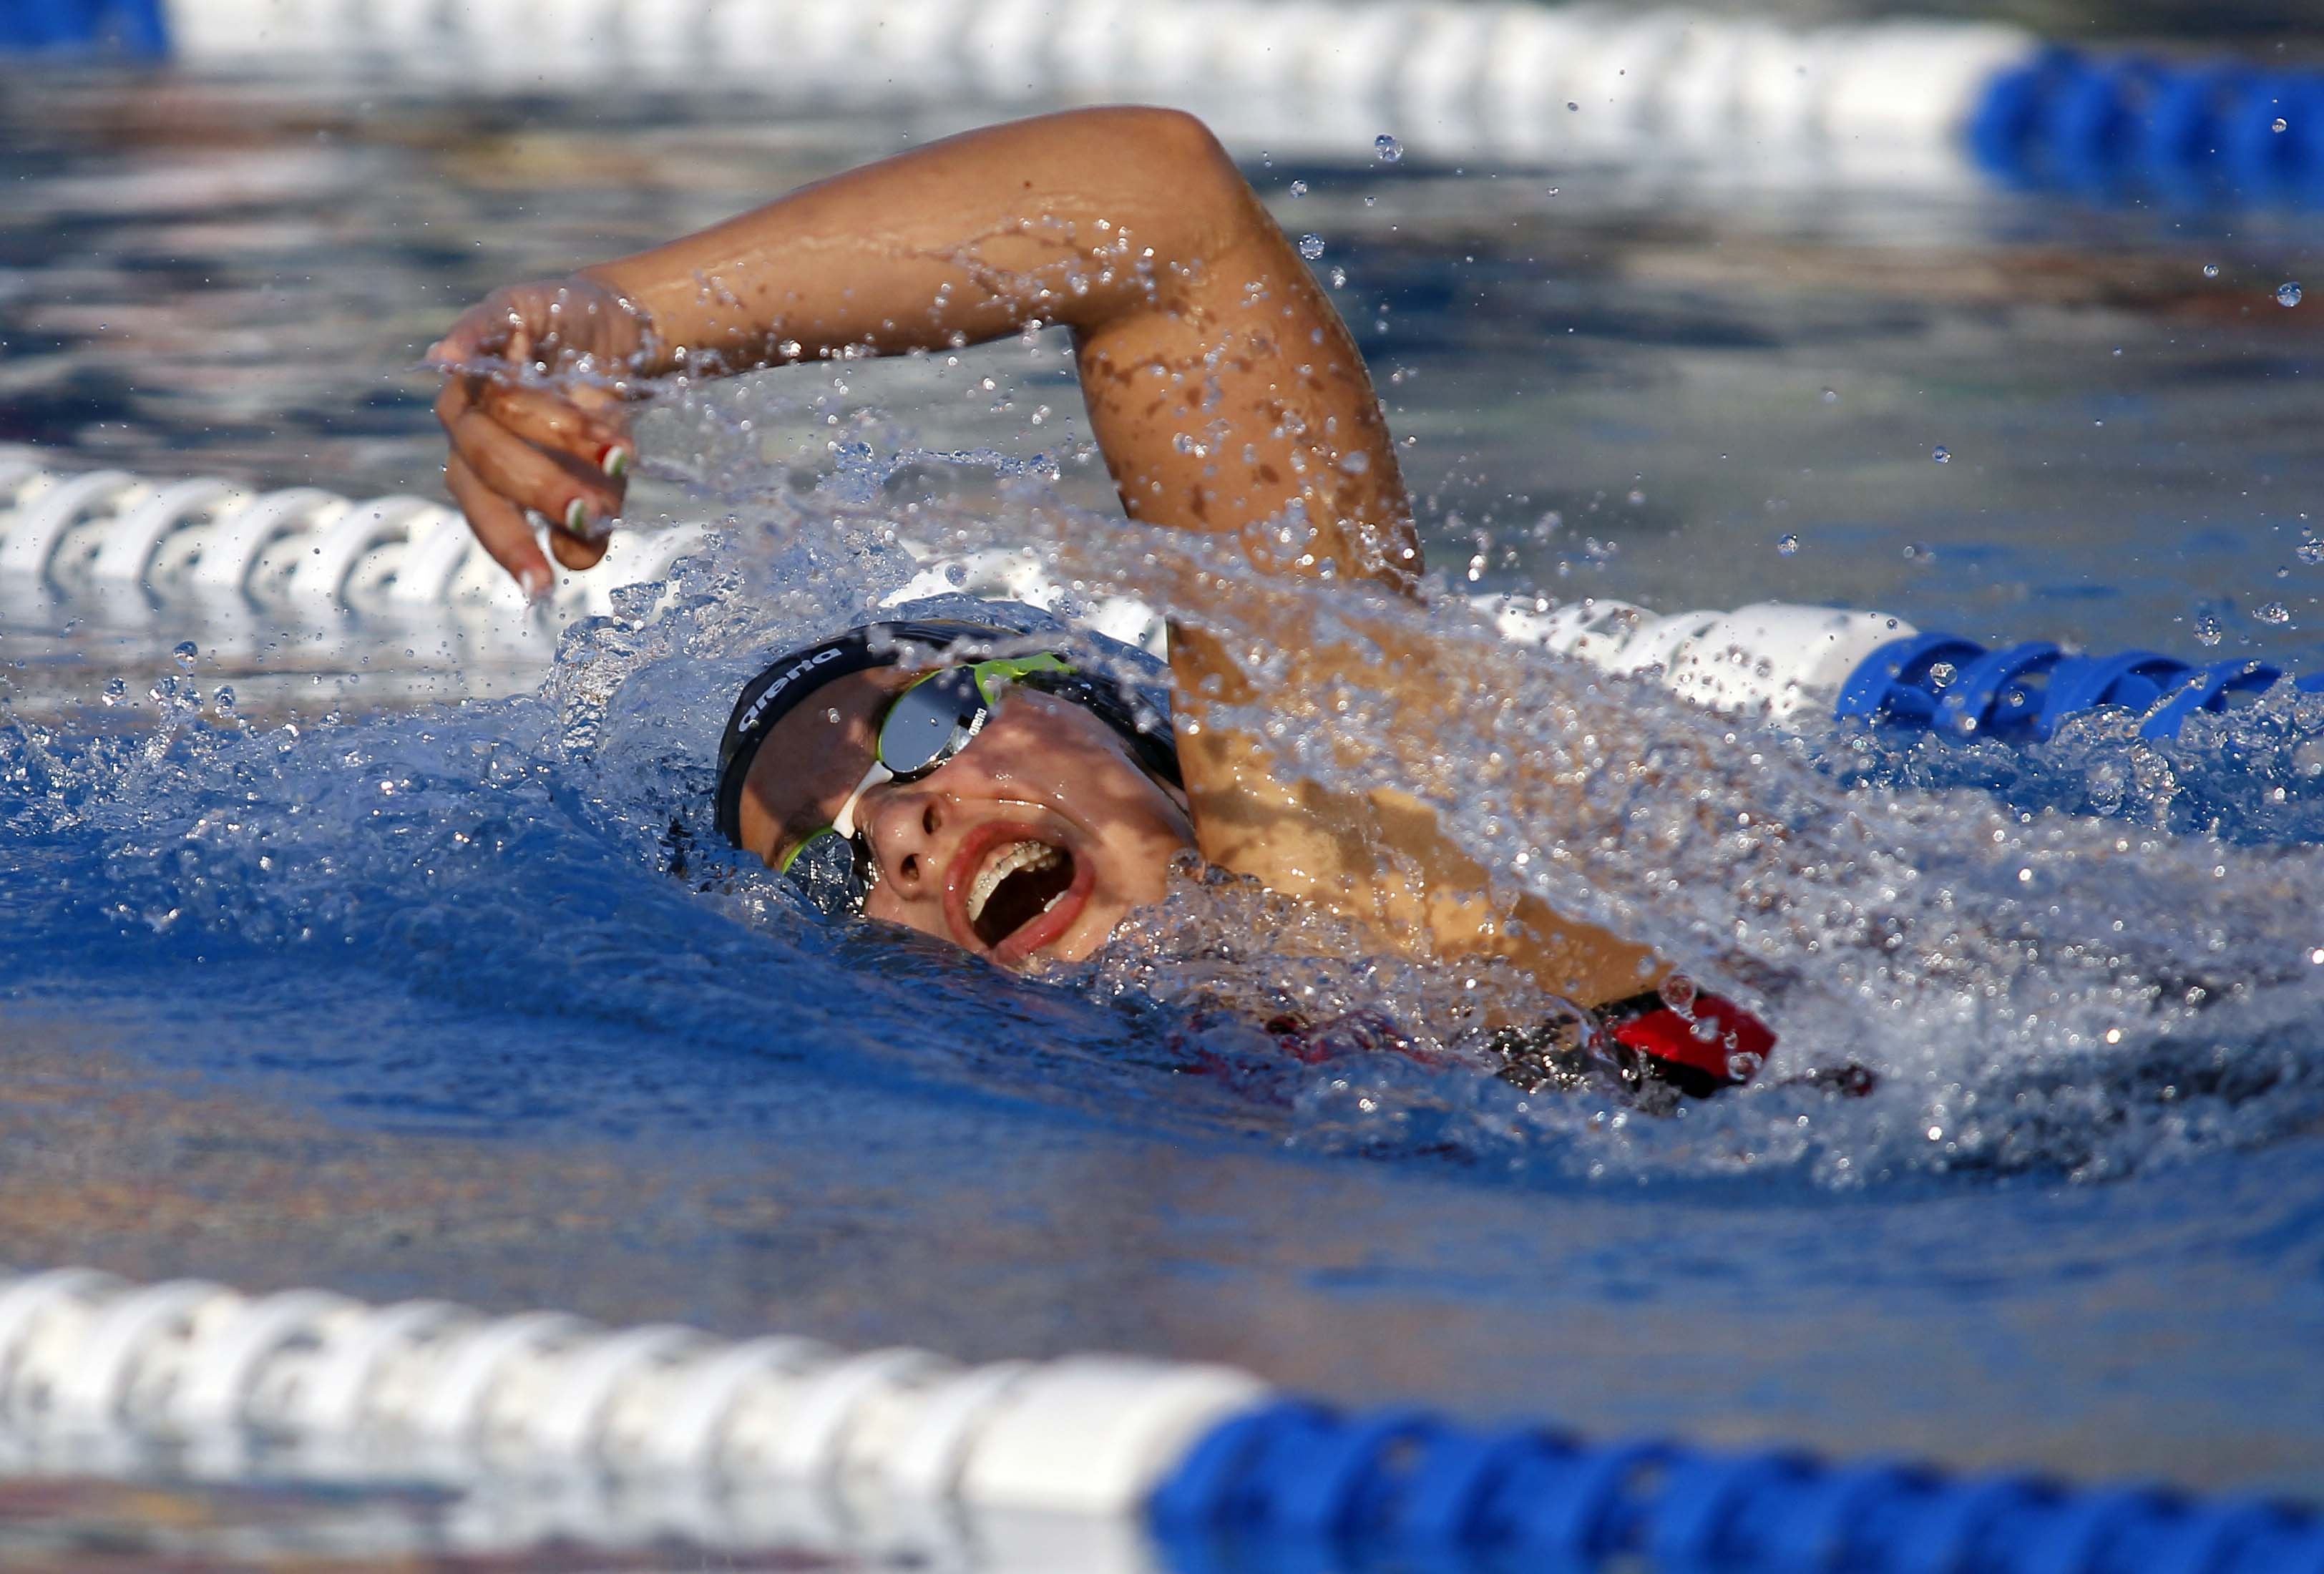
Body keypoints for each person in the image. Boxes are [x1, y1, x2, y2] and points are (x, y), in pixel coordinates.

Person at [429, 107, 1777, 1098]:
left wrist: (622, 319)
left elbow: (1161, 218)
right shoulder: (1132, 1125)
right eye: (836, 864)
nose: (898, 823)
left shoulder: (1348, 852)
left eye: (921, 727)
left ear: (1126, 724)